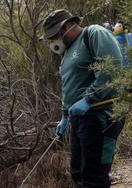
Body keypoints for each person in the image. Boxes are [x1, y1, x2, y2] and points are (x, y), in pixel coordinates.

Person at [39, 9, 124, 188]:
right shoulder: (66, 53)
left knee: (94, 176)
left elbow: (112, 69)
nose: (54, 41)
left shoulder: (93, 33)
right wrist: (64, 116)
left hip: (101, 114)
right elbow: (69, 86)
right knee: (78, 173)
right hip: (79, 119)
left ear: (66, 26)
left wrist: (88, 99)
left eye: (55, 35)